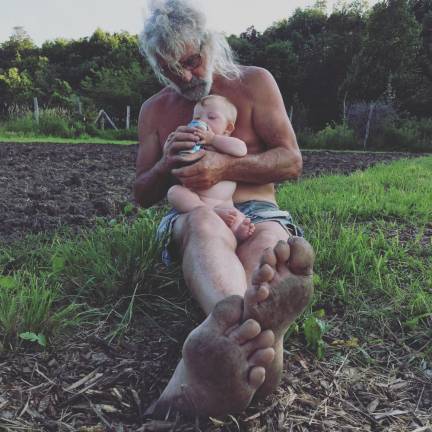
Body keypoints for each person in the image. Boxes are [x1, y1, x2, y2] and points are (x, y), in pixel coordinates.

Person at [135, 0, 315, 418]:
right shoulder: (154, 110)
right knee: (202, 224)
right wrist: (165, 161)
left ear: (209, 44)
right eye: (170, 70)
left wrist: (226, 166)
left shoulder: (254, 82)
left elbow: (291, 160)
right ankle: (258, 339)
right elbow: (141, 194)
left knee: (272, 243)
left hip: (259, 210)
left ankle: (232, 338)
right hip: (194, 211)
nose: (185, 77)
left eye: (192, 61)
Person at [167, 94, 255, 242]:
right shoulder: (194, 145)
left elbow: (241, 150)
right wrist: (173, 144)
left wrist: (213, 139)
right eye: (196, 118)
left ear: (228, 128)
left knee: (238, 217)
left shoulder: (225, 143)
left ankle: (238, 233)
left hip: (224, 205)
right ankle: (209, 212)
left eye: (211, 117)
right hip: (196, 201)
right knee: (174, 192)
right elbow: (177, 161)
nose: (201, 121)